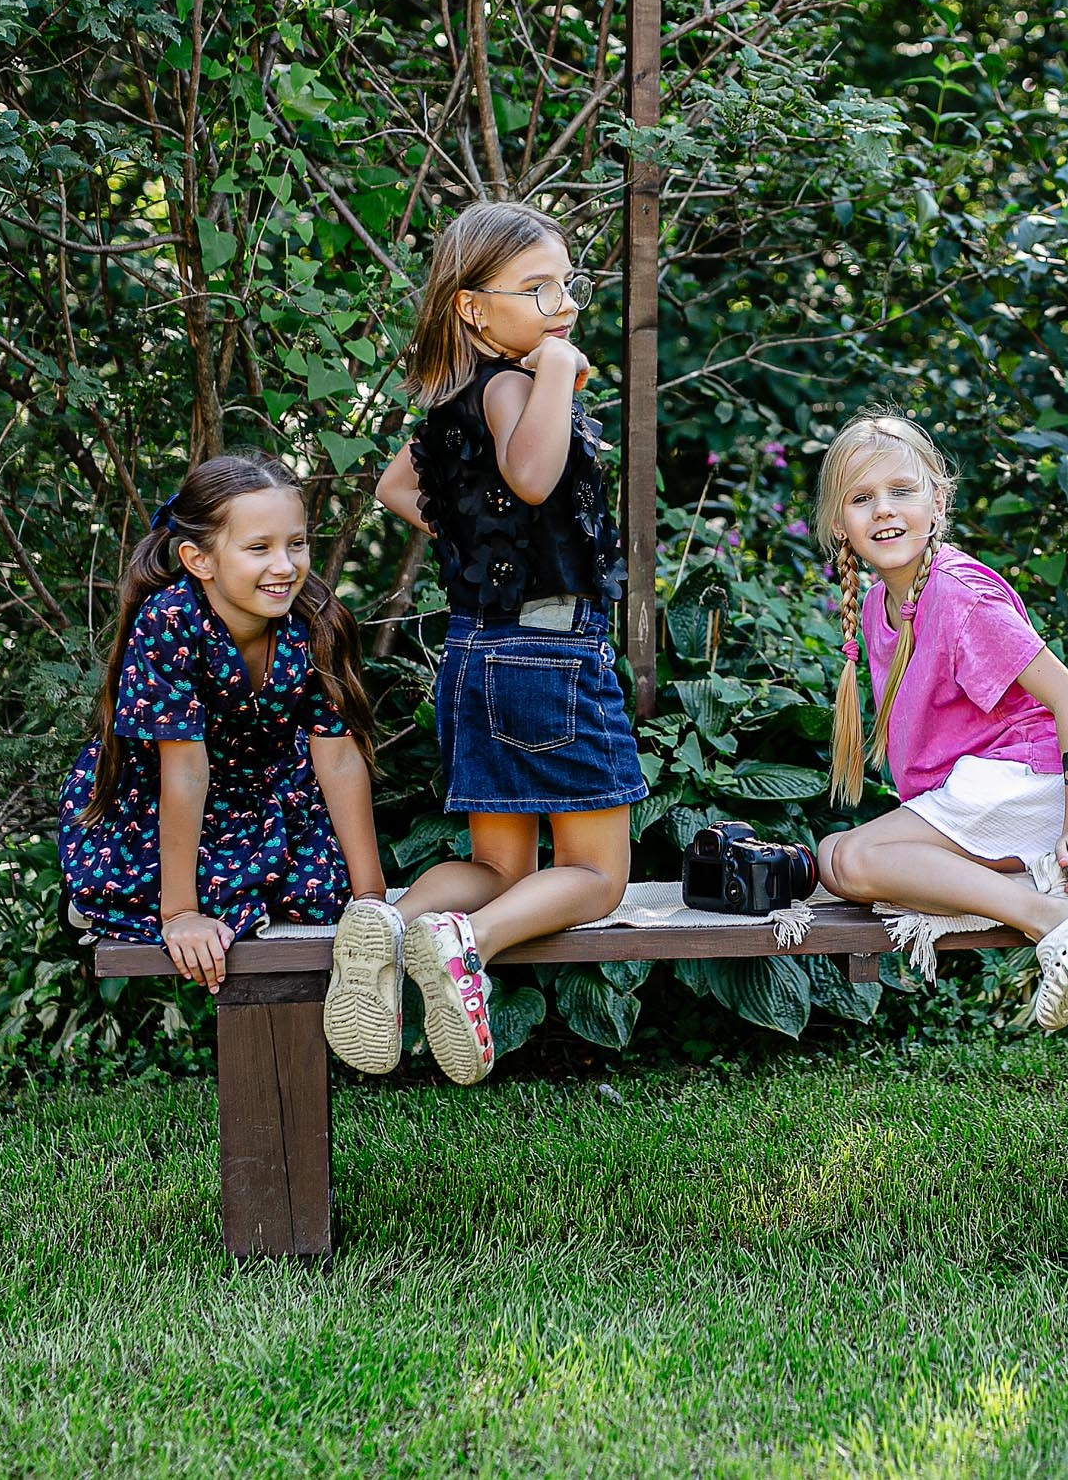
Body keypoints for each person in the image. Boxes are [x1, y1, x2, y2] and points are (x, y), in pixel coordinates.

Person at [322, 200, 647, 1084]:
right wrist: (553, 370)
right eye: (535, 291)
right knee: (596, 876)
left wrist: (482, 546)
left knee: (498, 862)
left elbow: (399, 487)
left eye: (566, 288)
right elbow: (534, 476)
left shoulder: (455, 400)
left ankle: (391, 928)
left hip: (476, 651)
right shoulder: (515, 381)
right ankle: (468, 942)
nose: (562, 306)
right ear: (473, 308)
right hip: (550, 656)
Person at [809, 411, 1068, 1031]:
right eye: (862, 499)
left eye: (901, 491)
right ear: (839, 524)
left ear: (937, 500)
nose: (884, 511)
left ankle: (1053, 919)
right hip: (989, 801)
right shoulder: (881, 606)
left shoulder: (960, 596)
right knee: (833, 854)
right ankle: (1044, 894)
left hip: (1045, 793)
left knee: (850, 862)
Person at [60, 452, 387, 993]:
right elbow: (184, 773)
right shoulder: (170, 620)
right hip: (158, 803)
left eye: (297, 544)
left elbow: (339, 754)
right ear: (199, 559)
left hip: (265, 797)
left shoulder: (315, 619)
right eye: (259, 548)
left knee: (322, 895)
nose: (285, 566)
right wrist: (180, 914)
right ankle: (118, 900)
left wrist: (371, 901)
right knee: (190, 907)